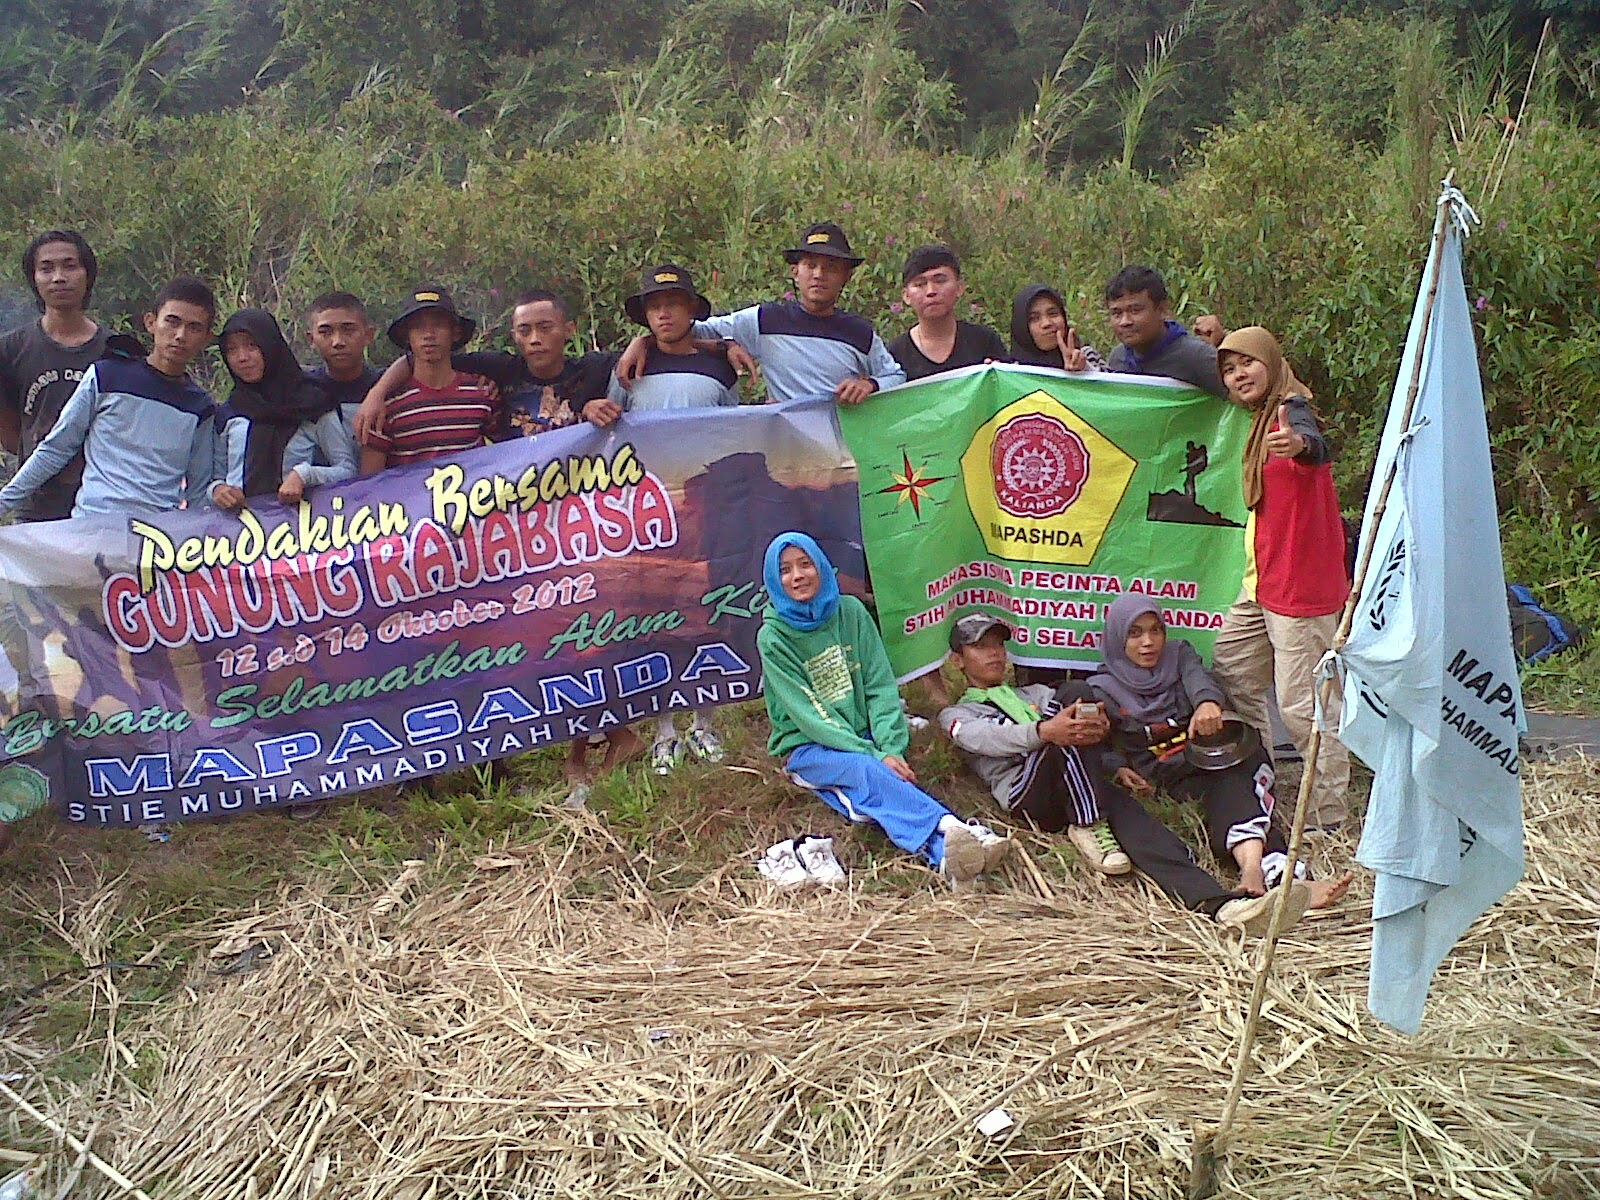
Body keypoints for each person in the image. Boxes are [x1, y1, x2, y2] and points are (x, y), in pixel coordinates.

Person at [757, 531, 1011, 886]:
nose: (797, 576)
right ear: (774, 579)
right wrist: (874, 755)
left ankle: (947, 860)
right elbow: (810, 716)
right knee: (866, 772)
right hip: (809, 747)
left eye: (805, 564)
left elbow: (879, 685)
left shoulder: (851, 612)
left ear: (821, 567)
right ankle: (956, 827)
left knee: (874, 792)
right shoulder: (773, 637)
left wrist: (890, 747)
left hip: (864, 736)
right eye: (785, 570)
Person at [1090, 593, 1352, 924]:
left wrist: (1206, 703)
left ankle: (1256, 873)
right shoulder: (1101, 688)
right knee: (1233, 787)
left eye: (1156, 630)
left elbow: (1199, 679)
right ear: (1117, 637)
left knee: (1237, 768)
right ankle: (1284, 878)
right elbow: (1100, 745)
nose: (1148, 642)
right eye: (1135, 633)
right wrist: (1118, 767)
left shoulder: (1179, 655)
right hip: (1165, 776)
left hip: (1206, 759)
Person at [1208, 327, 1352, 832]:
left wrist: (1299, 445)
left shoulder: (1291, 410)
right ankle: (1260, 777)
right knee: (1232, 669)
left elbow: (1315, 445)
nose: (1238, 375)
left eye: (1248, 363)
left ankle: (1327, 815)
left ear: (1271, 362)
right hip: (1262, 582)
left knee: (1302, 706)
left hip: (1301, 590)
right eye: (1229, 369)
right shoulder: (1256, 420)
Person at [605, 263, 741, 774]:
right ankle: (665, 729)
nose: (664, 314)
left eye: (674, 304)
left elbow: (736, 427)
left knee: (704, 609)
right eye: (654, 306)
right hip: (647, 509)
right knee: (656, 616)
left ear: (691, 311)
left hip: (706, 506)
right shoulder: (629, 368)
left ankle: (704, 722)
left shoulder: (720, 367)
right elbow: (608, 428)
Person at [0, 275, 223, 520]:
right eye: (172, 321)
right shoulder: (106, 376)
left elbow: (198, 489)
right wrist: (4, 502)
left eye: (194, 327)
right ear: (151, 322)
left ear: (206, 338)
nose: (180, 335)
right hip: (92, 525)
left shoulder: (200, 407)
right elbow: (56, 448)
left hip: (156, 535)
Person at [616, 222, 905, 404]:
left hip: (844, 451)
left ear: (846, 277)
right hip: (788, 453)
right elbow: (687, 329)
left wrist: (869, 384)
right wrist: (642, 342)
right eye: (811, 265)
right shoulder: (766, 320)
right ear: (795, 272)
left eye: (831, 267)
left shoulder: (859, 332)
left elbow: (895, 376)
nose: (819, 274)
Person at [938, 614, 1131, 875]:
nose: (994, 653)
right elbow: (987, 738)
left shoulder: (1034, 693)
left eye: (998, 645)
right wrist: (1044, 731)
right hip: (1026, 791)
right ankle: (1088, 823)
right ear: (957, 660)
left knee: (1076, 695)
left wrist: (1099, 726)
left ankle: (1092, 819)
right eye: (981, 647)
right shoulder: (958, 713)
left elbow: (1074, 720)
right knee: (1063, 725)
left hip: (1066, 780)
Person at [356, 289, 619, 443]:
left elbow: (640, 357)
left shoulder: (594, 368)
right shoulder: (500, 370)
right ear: (514, 336)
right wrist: (377, 394)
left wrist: (592, 407)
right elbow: (422, 359)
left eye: (545, 328)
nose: (535, 339)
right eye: (524, 330)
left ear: (569, 330)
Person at [0, 230, 111, 522]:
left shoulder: (116, 351)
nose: (59, 277)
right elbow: (9, 432)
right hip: (33, 508)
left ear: (88, 274)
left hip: (99, 507)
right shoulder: (10, 350)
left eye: (69, 266)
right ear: (34, 278)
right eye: (46, 269)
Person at [214, 308, 356, 509]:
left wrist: (304, 475)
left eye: (252, 346)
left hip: (297, 521)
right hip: (238, 524)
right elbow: (215, 477)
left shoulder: (313, 404)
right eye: (231, 350)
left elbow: (347, 471)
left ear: (270, 345)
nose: (242, 357)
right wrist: (218, 490)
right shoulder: (230, 412)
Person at [358, 286, 500, 473]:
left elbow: (506, 458)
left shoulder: (482, 393)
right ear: (406, 336)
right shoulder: (385, 407)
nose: (428, 335)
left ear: (455, 333)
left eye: (438, 325)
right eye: (418, 327)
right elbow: (370, 481)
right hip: (409, 492)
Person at [1101, 266, 1226, 398]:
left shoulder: (1197, 357)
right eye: (1117, 313)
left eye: (1135, 311)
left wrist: (1225, 342)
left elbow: (1238, 399)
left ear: (1162, 310)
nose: (1125, 321)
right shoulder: (1118, 359)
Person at [887, 245, 1005, 381]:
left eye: (940, 281)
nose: (931, 291)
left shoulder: (984, 341)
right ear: (906, 295)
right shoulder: (895, 355)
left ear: (959, 287)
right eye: (920, 284)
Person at [305, 291, 380, 437]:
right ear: (311, 339)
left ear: (369, 335)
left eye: (348, 330)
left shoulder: (388, 385)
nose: (338, 342)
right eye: (326, 332)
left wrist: (379, 391)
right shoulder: (303, 388)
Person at [1009, 284, 1106, 373]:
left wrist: (1084, 370)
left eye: (1053, 314)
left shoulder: (1088, 356)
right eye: (1034, 318)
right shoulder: (1012, 374)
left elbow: (1111, 384)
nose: (1047, 323)